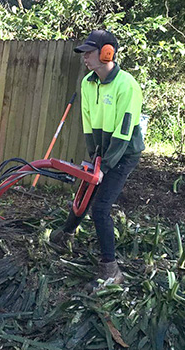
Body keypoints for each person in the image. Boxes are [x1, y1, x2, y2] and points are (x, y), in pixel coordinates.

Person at [50, 29, 145, 291]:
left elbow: (124, 132)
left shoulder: (127, 86)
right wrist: (95, 158)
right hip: (103, 148)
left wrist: (107, 166)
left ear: (107, 53)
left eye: (89, 53)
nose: (85, 58)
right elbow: (88, 124)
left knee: (100, 207)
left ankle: (111, 270)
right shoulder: (88, 83)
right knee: (85, 191)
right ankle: (65, 235)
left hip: (124, 153)